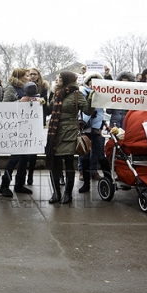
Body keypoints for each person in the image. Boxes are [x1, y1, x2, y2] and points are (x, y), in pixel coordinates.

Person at [45, 71, 89, 204]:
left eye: (60, 78)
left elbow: (87, 110)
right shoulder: (58, 93)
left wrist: (93, 99)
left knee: (69, 162)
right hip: (55, 132)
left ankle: (68, 194)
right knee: (54, 163)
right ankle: (56, 193)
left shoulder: (76, 94)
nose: (57, 80)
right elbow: (49, 110)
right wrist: (42, 102)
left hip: (69, 132)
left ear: (66, 80)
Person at [0, 68, 34, 197]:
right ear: (19, 77)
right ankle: (4, 185)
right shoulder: (11, 88)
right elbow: (4, 106)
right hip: (15, 128)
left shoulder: (25, 88)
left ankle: (19, 184)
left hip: (24, 127)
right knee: (14, 158)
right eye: (26, 75)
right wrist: (19, 102)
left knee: (25, 157)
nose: (29, 77)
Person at [25, 67, 49, 185]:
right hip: (26, 119)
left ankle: (30, 174)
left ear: (39, 75)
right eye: (30, 74)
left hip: (37, 119)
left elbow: (45, 104)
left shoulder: (43, 87)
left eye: (34, 74)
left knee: (34, 150)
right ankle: (24, 174)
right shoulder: (24, 86)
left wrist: (42, 101)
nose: (32, 76)